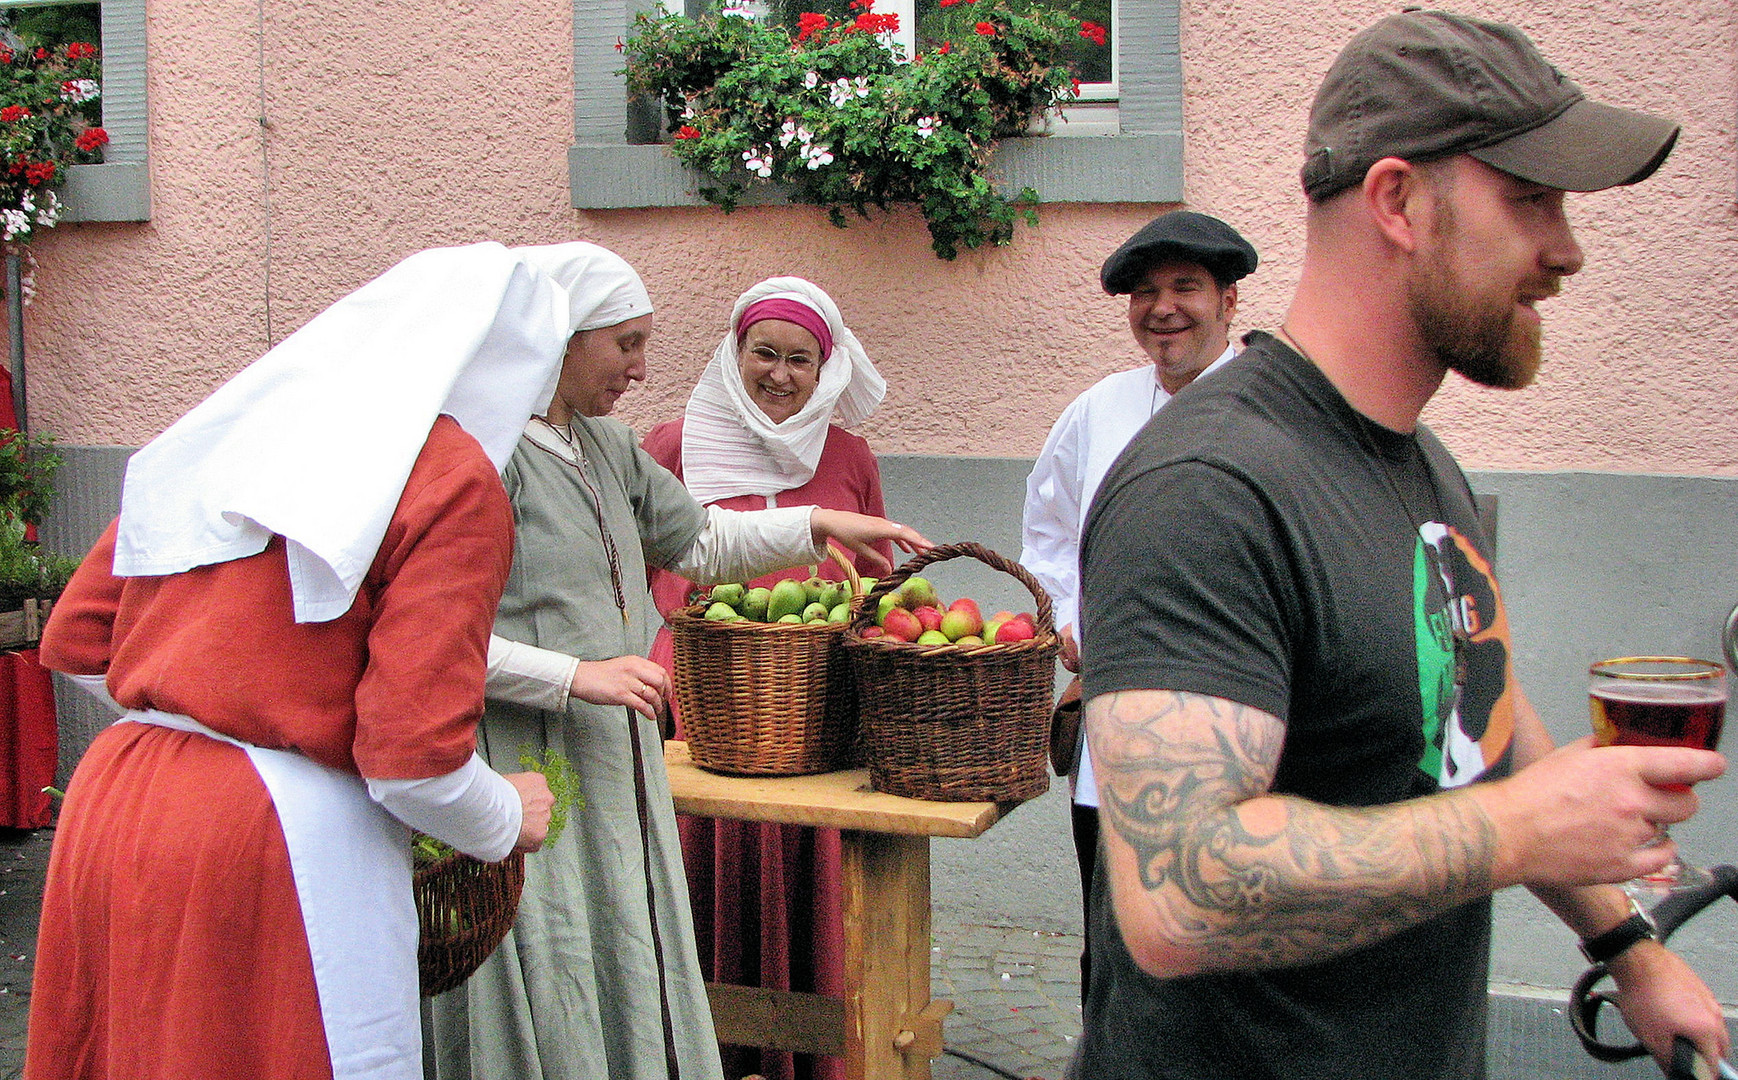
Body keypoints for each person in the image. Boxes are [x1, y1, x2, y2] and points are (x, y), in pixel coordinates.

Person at [1069, 12, 1729, 1079]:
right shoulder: (1207, 488)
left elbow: (1485, 721)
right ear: (1398, 203)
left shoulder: (1422, 466)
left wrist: (1626, 944)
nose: (1564, 249)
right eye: (1529, 199)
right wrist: (1520, 830)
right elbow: (1175, 900)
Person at [24, 242, 574, 1080]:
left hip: (116, 800)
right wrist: (507, 816)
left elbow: (75, 642)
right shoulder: (450, 476)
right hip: (269, 838)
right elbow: (411, 766)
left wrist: (189, 720)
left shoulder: (238, 426)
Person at [428, 245, 928, 1080]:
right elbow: (431, 640)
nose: (640, 366)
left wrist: (817, 526)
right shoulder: (483, 456)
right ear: (562, 335)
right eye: (624, 343)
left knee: (620, 942)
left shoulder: (607, 447)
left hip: (610, 755)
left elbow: (699, 538)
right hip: (525, 762)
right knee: (548, 952)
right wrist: (573, 674)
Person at [643, 276, 890, 1080]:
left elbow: (874, 584)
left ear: (827, 371)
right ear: (733, 354)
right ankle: (702, 1048)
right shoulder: (673, 445)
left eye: (799, 359)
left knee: (807, 879)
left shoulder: (849, 456)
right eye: (763, 354)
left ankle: (805, 1055)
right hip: (698, 708)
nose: (779, 374)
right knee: (699, 876)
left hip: (810, 712)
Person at [1019, 210, 1257, 999]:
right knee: (1113, 945)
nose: (1164, 308)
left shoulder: (1272, 410)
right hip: (1116, 733)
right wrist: (1069, 624)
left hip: (1241, 731)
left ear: (1229, 299)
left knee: (1222, 951)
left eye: (1186, 287)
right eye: (1146, 292)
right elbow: (1048, 525)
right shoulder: (1098, 412)